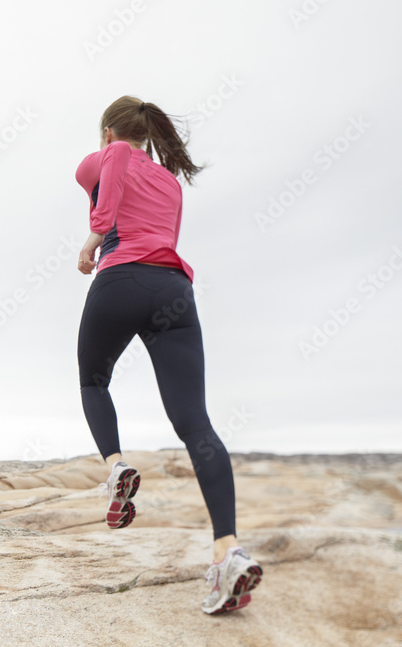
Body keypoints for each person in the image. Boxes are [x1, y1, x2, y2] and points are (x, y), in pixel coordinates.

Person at [74, 95, 263, 614]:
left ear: (110, 134)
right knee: (195, 423)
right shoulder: (170, 182)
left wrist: (92, 241)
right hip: (173, 288)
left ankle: (114, 467)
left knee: (94, 381)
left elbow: (103, 170)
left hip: (120, 281)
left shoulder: (106, 154)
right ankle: (227, 548)